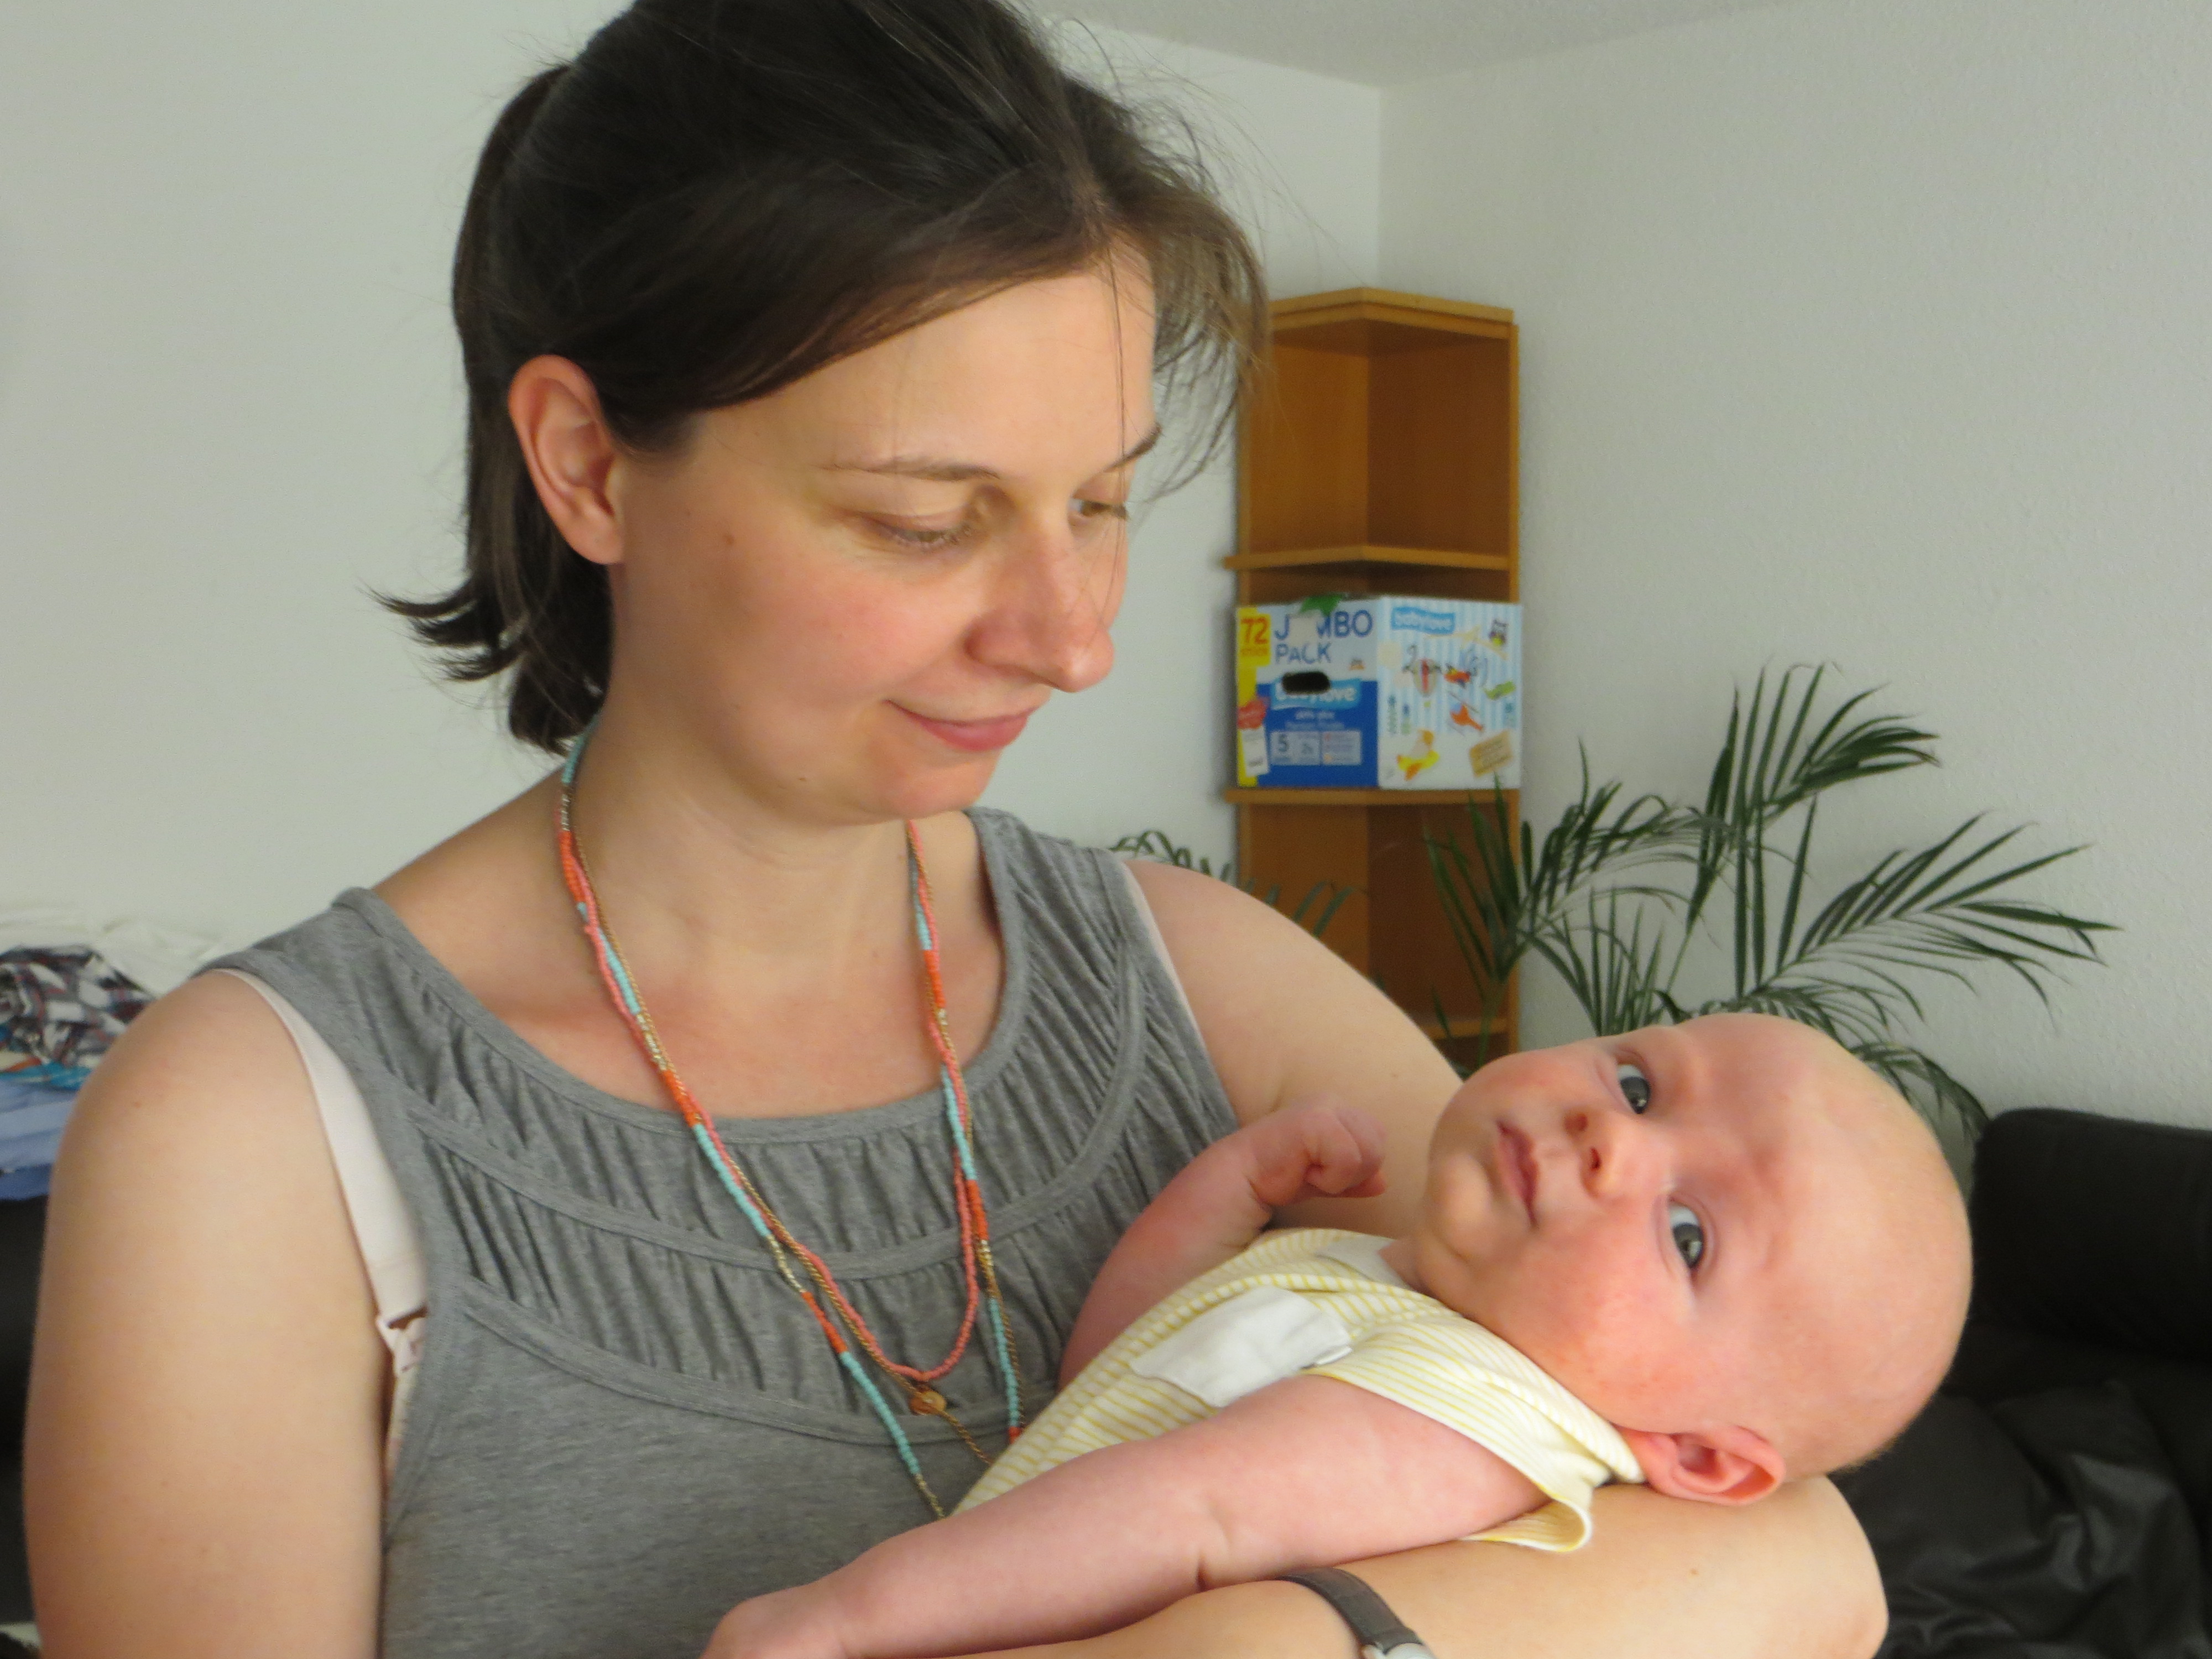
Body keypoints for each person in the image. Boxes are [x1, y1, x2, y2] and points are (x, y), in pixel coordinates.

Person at [23, 2, 1890, 1656]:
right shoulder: (256, 1140)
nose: (1072, 641)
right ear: (587, 464)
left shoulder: (1205, 989)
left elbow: (1800, 1561)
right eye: (928, 522)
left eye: (1102, 502)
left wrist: (1254, 1642)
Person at [713, 1015, 1970, 1659]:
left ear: (1697, 1456)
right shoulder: (1383, 1282)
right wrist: (1224, 1197)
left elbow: (1187, 1512)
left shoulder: (1468, 1416)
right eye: (1639, 1084)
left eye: (1689, 1235)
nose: (1613, 1139)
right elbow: (1118, 1381)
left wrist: (847, 1620)